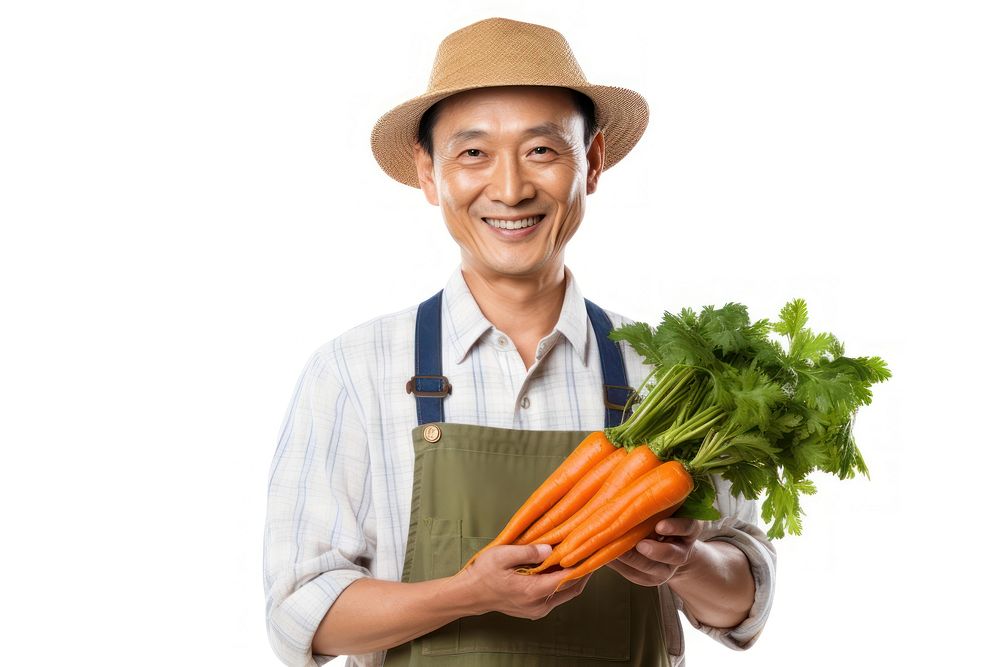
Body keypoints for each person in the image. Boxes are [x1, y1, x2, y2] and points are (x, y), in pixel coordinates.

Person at [264, 17, 776, 667]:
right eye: (473, 153)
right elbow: (298, 616)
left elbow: (745, 601)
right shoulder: (353, 372)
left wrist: (686, 560)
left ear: (590, 163)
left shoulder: (674, 380)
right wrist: (465, 593)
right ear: (429, 173)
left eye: (541, 150)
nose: (509, 189)